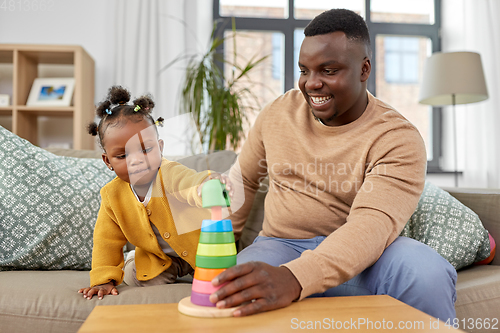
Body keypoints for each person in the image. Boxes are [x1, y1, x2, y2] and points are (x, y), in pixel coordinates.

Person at [209, 9, 457, 321]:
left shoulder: (397, 137)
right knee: (236, 287)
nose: (311, 84)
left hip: (369, 256)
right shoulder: (278, 114)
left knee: (426, 273)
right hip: (281, 246)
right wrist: (207, 244)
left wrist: (295, 279)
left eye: (328, 71)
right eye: (304, 70)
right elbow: (242, 181)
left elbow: (372, 225)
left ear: (364, 69)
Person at [78, 86, 231, 300]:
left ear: (160, 148)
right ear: (108, 161)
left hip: (199, 250)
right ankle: (134, 260)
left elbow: (188, 183)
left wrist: (205, 185)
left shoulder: (168, 173)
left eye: (146, 149)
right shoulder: (112, 196)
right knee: (145, 280)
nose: (136, 160)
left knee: (222, 281)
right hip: (159, 260)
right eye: (122, 155)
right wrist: (104, 280)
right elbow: (106, 240)